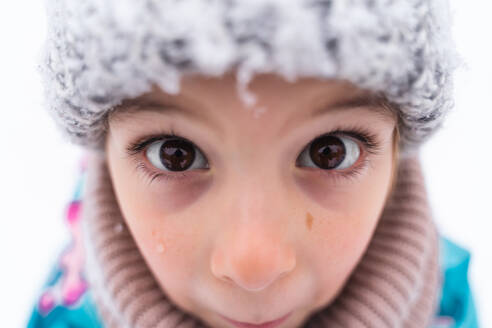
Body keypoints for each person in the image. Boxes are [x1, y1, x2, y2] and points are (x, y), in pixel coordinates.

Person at [27, 0, 479, 327]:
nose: (253, 265)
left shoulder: (450, 305)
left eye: (330, 151)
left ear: (399, 140)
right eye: (175, 155)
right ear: (104, 145)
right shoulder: (63, 314)